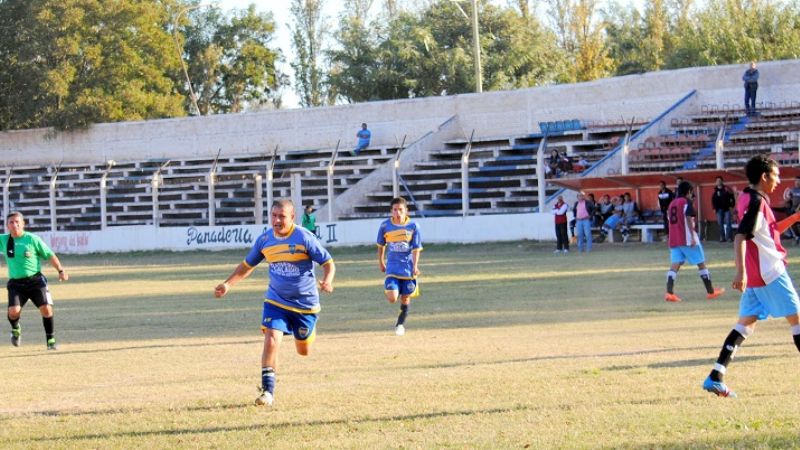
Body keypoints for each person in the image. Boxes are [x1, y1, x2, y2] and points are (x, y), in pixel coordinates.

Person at [214, 199, 335, 406]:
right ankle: (268, 391)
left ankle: (308, 333)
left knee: (303, 350)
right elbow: (247, 265)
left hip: (305, 304)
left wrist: (328, 281)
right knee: (271, 339)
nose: (277, 220)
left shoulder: (304, 237)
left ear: (292, 217)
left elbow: (328, 263)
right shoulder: (265, 240)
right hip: (276, 300)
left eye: (282, 216)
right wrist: (228, 284)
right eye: (274, 215)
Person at [702, 155, 800, 398]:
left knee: (745, 325)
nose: (779, 181)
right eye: (776, 176)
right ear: (764, 176)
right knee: (798, 321)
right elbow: (741, 236)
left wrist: (795, 218)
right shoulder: (756, 201)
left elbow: (769, 232)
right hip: (769, 272)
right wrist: (740, 271)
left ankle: (715, 376)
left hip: (757, 277)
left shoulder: (747, 197)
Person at [2, 212, 68, 350]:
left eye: (17, 222)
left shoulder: (32, 239)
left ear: (23, 223)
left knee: (46, 309)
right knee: (13, 312)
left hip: (36, 281)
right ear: (7, 225)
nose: (14, 225)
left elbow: (49, 255)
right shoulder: (4, 240)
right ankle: (16, 329)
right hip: (16, 284)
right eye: (11, 222)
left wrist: (60, 270)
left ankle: (50, 341)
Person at [664, 181, 725, 302]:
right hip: (686, 238)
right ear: (688, 191)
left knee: (675, 265)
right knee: (701, 263)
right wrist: (692, 236)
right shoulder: (686, 202)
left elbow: (669, 219)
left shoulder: (671, 204)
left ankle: (669, 293)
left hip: (674, 239)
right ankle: (711, 291)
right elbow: (688, 217)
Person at [376, 197, 422, 336]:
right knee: (392, 298)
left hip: (408, 269)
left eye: (400, 210)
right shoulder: (385, 226)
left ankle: (400, 324)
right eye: (395, 210)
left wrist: (415, 266)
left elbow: (416, 248)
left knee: (405, 298)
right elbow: (381, 246)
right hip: (392, 268)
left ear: (406, 211)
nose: (398, 213)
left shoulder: (413, 226)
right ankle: (391, 288)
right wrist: (381, 262)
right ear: (391, 211)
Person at [712, 176, 735, 242]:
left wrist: (732, 206)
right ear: (716, 182)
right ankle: (722, 238)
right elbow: (713, 200)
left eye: (719, 180)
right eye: (717, 181)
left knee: (728, 223)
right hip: (719, 209)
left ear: (722, 181)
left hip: (727, 209)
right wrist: (714, 208)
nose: (718, 182)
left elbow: (732, 197)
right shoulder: (715, 190)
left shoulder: (726, 189)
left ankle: (729, 238)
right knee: (720, 224)